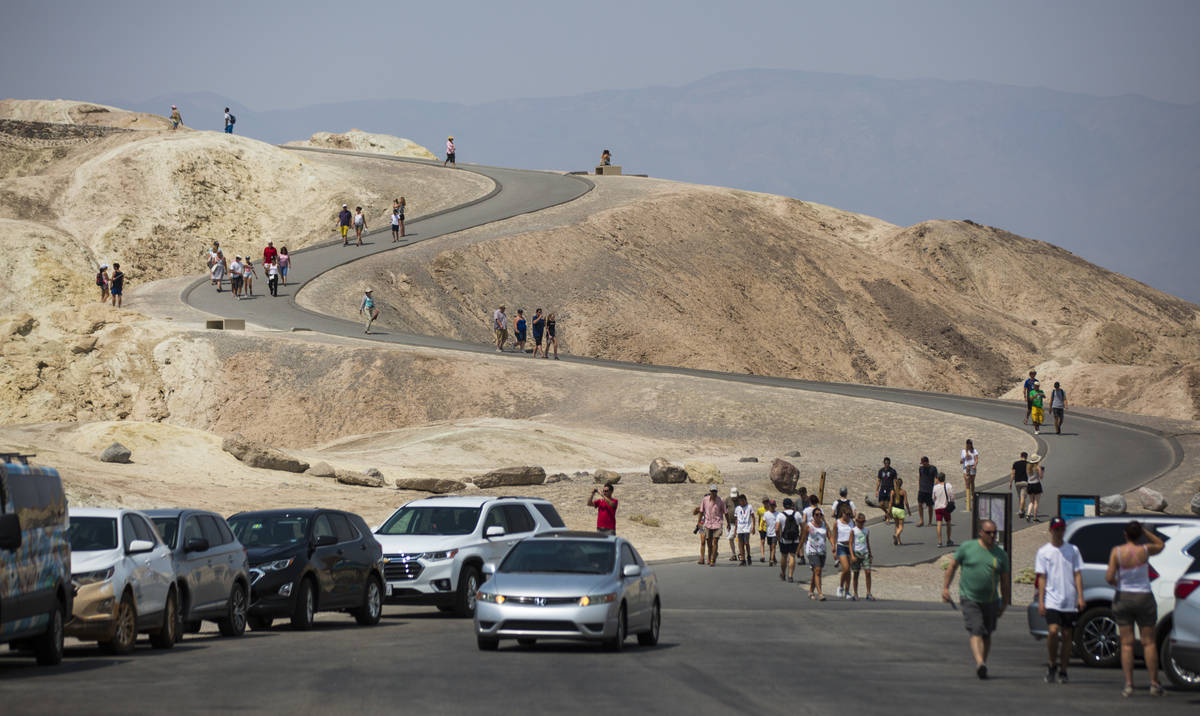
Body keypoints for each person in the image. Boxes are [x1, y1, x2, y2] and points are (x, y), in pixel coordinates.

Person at [942, 519, 1010, 679]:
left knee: (987, 634)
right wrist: (946, 588)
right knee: (976, 629)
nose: (992, 535)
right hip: (970, 597)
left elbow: (1005, 581)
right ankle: (980, 662)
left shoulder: (1001, 555)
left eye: (994, 532)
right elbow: (952, 566)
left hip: (991, 599)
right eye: (988, 533)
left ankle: (982, 664)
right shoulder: (968, 547)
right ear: (981, 533)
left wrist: (1004, 602)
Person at [1105, 521, 1165, 697]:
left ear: (1125, 534)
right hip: (1144, 596)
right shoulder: (1145, 550)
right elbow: (1161, 545)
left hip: (1124, 596)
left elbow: (1109, 577)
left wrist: (1119, 584)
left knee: (1126, 643)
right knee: (1149, 642)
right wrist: (1146, 532)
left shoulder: (1117, 552)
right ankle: (1154, 683)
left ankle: (1129, 684)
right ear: (1139, 535)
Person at [1036, 517, 1085, 684]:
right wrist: (1041, 601)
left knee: (1067, 635)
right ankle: (1052, 663)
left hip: (1069, 599)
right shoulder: (1044, 552)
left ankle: (1063, 669)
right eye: (1056, 529)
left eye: (1062, 529)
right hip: (1052, 599)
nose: (1059, 532)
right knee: (1052, 631)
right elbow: (1042, 577)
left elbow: (1077, 573)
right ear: (1051, 530)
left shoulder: (1073, 550)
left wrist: (1080, 596)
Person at [801, 508, 830, 600]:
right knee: (818, 570)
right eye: (817, 515)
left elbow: (830, 536)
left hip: (822, 551)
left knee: (816, 572)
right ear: (813, 516)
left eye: (820, 514)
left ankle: (810, 591)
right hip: (812, 551)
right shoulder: (809, 526)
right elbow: (803, 538)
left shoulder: (824, 525)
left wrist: (833, 546)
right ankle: (820, 593)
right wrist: (798, 550)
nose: (819, 516)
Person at [700, 486, 726, 567]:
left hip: (717, 523)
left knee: (715, 541)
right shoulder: (705, 500)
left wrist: (728, 523)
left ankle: (712, 559)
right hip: (706, 523)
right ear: (710, 492)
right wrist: (699, 522)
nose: (713, 493)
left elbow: (726, 512)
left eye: (715, 491)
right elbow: (700, 511)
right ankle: (707, 556)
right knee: (706, 542)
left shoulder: (720, 501)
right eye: (712, 491)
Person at [776, 498, 802, 582]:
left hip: (784, 539)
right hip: (795, 539)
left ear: (783, 506)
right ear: (791, 505)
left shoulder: (780, 515)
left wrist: (779, 538)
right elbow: (803, 527)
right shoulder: (797, 514)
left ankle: (783, 574)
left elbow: (777, 529)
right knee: (792, 556)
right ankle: (790, 576)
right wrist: (801, 536)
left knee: (784, 556)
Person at [851, 513, 874, 601]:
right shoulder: (854, 530)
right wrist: (852, 555)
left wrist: (870, 554)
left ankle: (868, 593)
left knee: (868, 572)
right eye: (860, 522)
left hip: (865, 553)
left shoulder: (866, 530)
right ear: (856, 521)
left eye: (863, 522)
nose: (861, 523)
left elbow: (867, 542)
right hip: (856, 552)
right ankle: (855, 593)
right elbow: (850, 543)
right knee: (856, 573)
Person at [833, 508, 854, 599]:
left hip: (850, 547)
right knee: (845, 568)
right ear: (843, 513)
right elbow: (834, 536)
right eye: (847, 514)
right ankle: (841, 587)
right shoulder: (837, 523)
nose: (849, 516)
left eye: (850, 515)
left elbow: (855, 534)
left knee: (849, 571)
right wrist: (834, 548)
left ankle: (847, 591)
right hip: (841, 546)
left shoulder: (852, 522)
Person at [933, 472, 955, 548]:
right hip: (946, 507)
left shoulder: (935, 487)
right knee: (948, 523)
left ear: (938, 478)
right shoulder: (948, 485)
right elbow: (952, 496)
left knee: (939, 523)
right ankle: (948, 539)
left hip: (938, 507)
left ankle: (939, 541)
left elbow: (933, 497)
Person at [734, 494, 756, 566]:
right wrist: (735, 530)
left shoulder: (749, 507)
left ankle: (748, 555)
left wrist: (753, 527)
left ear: (745, 500)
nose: (741, 502)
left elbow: (753, 517)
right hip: (740, 528)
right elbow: (736, 519)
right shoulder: (737, 508)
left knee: (746, 543)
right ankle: (743, 559)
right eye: (740, 501)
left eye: (743, 500)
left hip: (747, 528)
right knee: (740, 544)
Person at [875, 457, 897, 524]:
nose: (886, 464)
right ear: (884, 463)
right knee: (881, 504)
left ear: (889, 463)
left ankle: (887, 518)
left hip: (890, 489)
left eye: (888, 463)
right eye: (885, 463)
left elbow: (895, 481)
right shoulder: (881, 471)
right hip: (882, 489)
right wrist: (877, 490)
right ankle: (888, 513)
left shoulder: (893, 471)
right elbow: (878, 480)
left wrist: (896, 490)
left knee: (890, 503)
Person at [916, 456, 937, 527]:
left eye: (923, 463)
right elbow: (920, 477)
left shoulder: (933, 468)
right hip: (922, 490)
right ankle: (921, 520)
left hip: (929, 490)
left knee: (930, 506)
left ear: (927, 462)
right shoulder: (921, 468)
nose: (922, 465)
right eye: (922, 463)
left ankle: (930, 522)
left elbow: (936, 478)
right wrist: (919, 485)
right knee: (919, 504)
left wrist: (935, 489)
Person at [889, 477, 911, 545]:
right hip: (900, 510)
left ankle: (898, 541)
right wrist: (909, 510)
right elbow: (906, 502)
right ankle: (896, 535)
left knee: (896, 526)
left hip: (894, 509)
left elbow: (890, 502)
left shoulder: (892, 491)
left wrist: (889, 512)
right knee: (901, 527)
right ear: (901, 484)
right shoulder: (903, 492)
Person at [960, 439, 980, 512]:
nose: (968, 445)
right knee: (966, 481)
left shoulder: (974, 451)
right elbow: (961, 460)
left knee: (972, 482)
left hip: (972, 467)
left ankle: (972, 494)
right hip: (966, 467)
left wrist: (975, 465)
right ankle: (967, 495)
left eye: (969, 444)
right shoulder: (963, 451)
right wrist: (962, 460)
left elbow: (976, 459)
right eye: (967, 444)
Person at [1010, 451, 1030, 519]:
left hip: (1017, 482)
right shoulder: (1028, 464)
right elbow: (1030, 474)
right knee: (1023, 497)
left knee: (1020, 497)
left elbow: (1013, 474)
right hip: (1025, 482)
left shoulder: (1015, 463)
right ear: (1026, 457)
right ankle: (1021, 511)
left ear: (1021, 456)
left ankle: (1023, 510)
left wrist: (1010, 482)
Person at [1025, 454, 1045, 522]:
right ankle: (1035, 517)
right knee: (1036, 502)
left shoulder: (1028, 467)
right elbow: (1041, 477)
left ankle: (1028, 514)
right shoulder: (1038, 467)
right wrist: (1042, 472)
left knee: (1031, 501)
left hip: (1029, 484)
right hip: (1036, 484)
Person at [763, 499, 779, 566]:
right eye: (771, 505)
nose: (772, 507)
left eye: (773, 505)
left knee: (773, 547)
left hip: (775, 533)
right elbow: (763, 522)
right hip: (768, 533)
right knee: (770, 547)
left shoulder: (778, 514)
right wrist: (763, 529)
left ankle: (771, 560)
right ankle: (773, 558)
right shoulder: (766, 514)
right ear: (769, 506)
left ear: (775, 506)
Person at [725, 488, 739, 561]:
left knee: (739, 539)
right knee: (731, 538)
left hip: (740, 523)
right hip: (730, 523)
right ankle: (733, 554)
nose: (734, 497)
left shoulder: (740, 500)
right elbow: (724, 509)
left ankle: (741, 553)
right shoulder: (727, 499)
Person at [756, 497, 770, 563]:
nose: (765, 503)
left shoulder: (770, 509)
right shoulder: (760, 510)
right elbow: (759, 518)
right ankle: (762, 556)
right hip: (762, 528)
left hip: (770, 527)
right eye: (764, 502)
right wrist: (759, 526)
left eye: (766, 502)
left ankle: (772, 555)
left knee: (771, 543)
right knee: (762, 541)